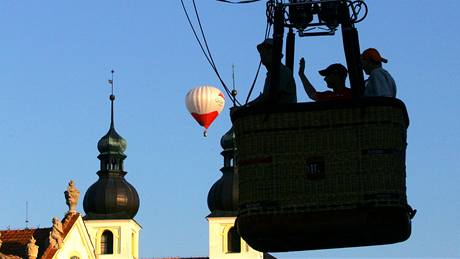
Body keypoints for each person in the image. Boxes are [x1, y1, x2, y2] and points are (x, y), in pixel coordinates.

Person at [248, 38, 297, 105]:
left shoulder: (282, 71)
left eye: (268, 49)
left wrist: (246, 106)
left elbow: (269, 95)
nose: (263, 53)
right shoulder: (270, 75)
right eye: (262, 50)